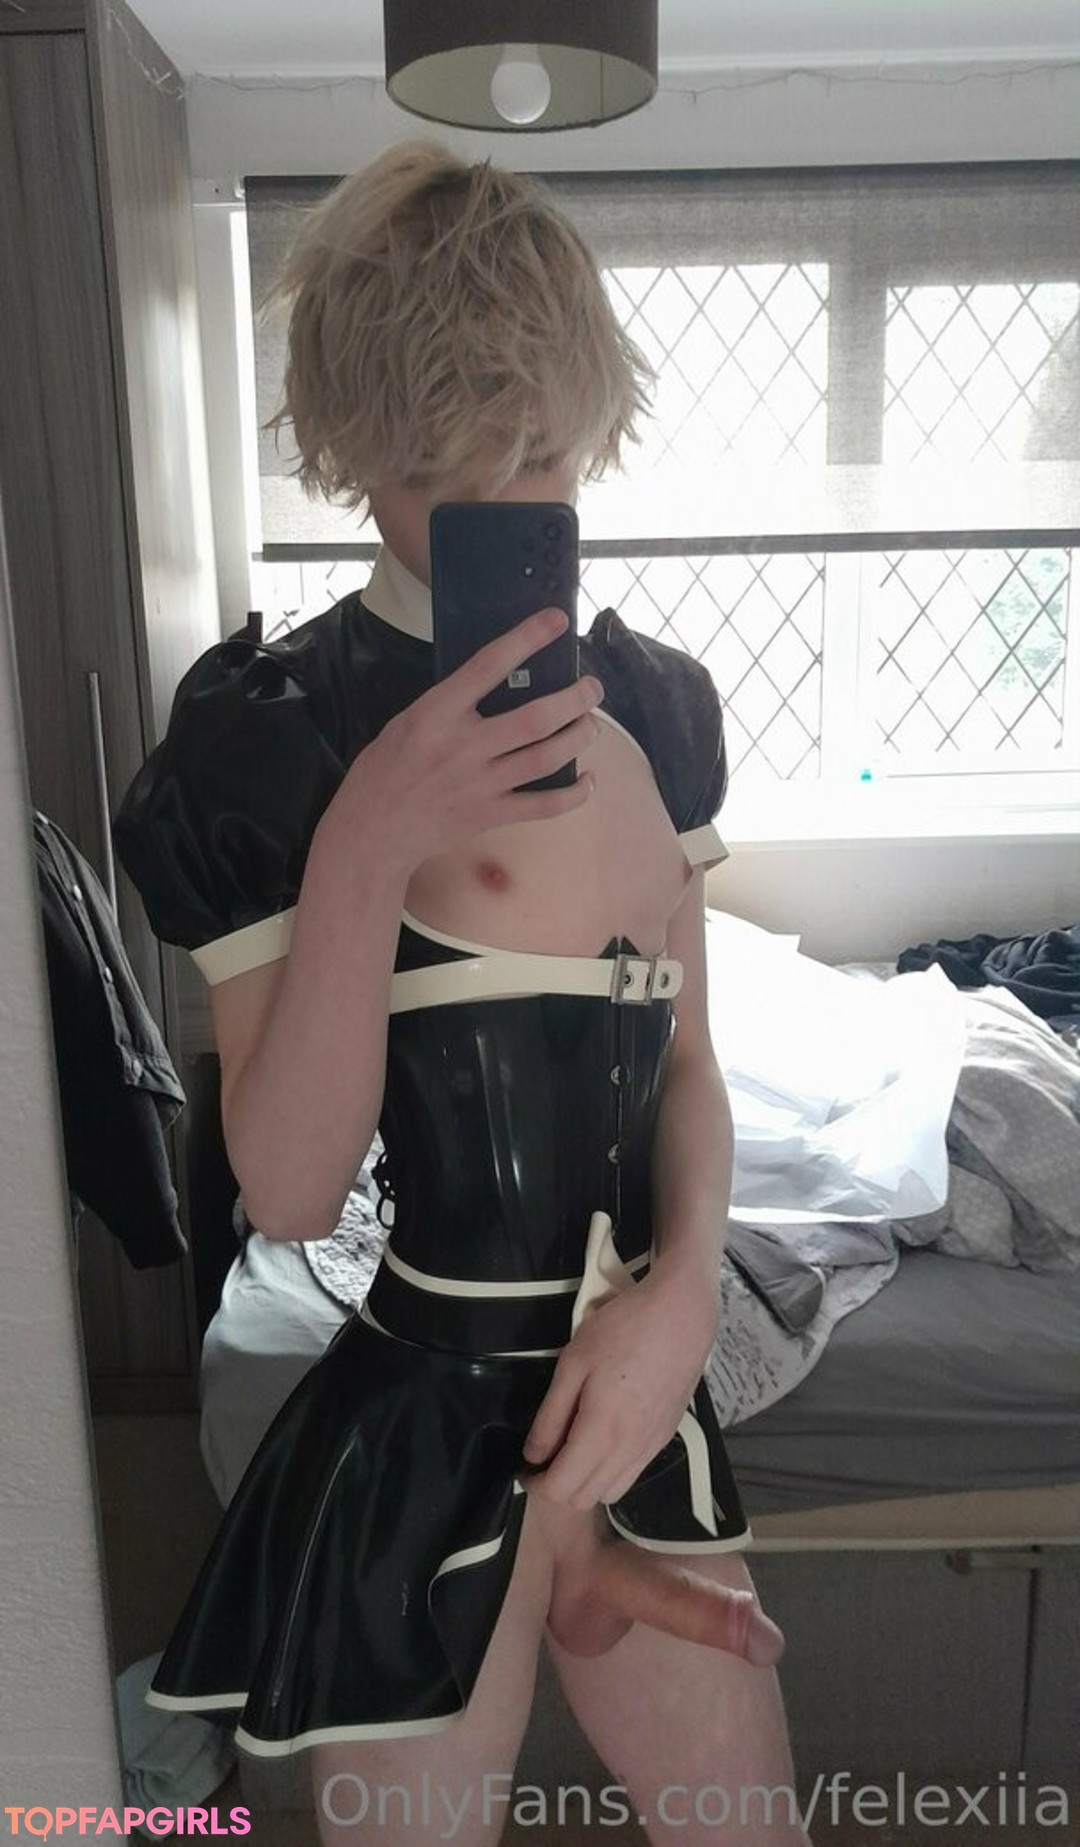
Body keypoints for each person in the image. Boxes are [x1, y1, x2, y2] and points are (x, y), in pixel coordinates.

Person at [112, 140, 811, 1845]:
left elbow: (692, 1066)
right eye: (449, 468)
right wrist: (368, 843)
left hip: (639, 1400)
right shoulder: (275, 736)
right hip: (419, 1435)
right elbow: (290, 1192)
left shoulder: (660, 709)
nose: (509, 490)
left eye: (543, 454)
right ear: (356, 454)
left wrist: (684, 1299)